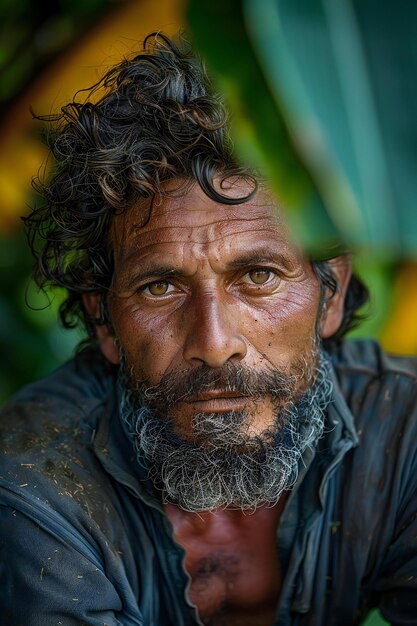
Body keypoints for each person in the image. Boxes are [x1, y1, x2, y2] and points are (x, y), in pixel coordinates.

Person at [0, 32, 416, 626]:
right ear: (104, 320)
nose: (216, 343)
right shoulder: (30, 492)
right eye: (160, 287)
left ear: (331, 293)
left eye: (259, 276)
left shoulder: (405, 435)